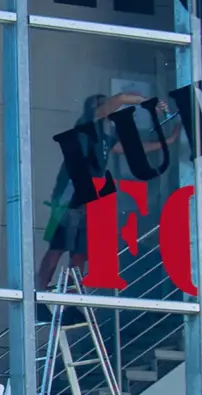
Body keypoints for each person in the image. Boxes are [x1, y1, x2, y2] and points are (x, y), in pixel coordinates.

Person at [37, 91, 174, 291]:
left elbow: (132, 148)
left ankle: (70, 297)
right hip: (70, 196)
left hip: (88, 198)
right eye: (102, 105)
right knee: (58, 246)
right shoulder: (87, 124)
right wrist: (148, 102)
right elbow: (119, 99)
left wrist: (166, 142)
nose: (109, 108)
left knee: (80, 251)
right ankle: (39, 290)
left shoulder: (105, 138)